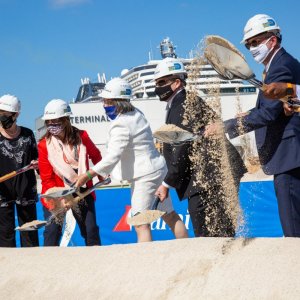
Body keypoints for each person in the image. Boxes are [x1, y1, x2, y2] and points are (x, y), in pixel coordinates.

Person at [205, 14, 300, 237]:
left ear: (272, 40)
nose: (252, 48)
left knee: (293, 230)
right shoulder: (277, 65)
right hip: (290, 156)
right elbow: (278, 106)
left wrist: (226, 127)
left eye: (255, 42)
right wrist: (249, 113)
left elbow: (268, 113)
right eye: (249, 45)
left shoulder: (280, 67)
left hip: (289, 156)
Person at [75, 78, 188, 242]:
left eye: (107, 101)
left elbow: (113, 155)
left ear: (118, 101)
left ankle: (145, 261)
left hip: (144, 175)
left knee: (140, 223)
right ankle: (186, 248)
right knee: (169, 215)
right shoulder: (136, 113)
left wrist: (89, 174)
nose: (104, 104)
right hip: (156, 169)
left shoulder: (121, 123)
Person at [153, 58, 247, 237]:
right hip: (211, 174)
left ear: (177, 83)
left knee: (212, 233)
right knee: (217, 231)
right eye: (157, 83)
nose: (158, 87)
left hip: (211, 177)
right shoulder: (183, 101)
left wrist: (166, 183)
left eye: (162, 82)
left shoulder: (182, 104)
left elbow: (182, 147)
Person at [38, 99, 102, 246]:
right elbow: (47, 179)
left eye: (56, 121)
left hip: (82, 189)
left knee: (90, 229)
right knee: (52, 231)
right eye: (48, 122)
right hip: (56, 192)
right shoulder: (43, 145)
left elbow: (96, 156)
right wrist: (60, 199)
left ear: (66, 120)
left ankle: (97, 262)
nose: (51, 125)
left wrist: (102, 174)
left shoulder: (82, 136)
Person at [0, 94, 39, 247]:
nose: (1, 117)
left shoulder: (28, 135)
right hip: (2, 193)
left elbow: (39, 161)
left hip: (26, 191)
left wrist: (37, 164)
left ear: (16, 114)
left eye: (5, 114)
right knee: (5, 237)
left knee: (29, 236)